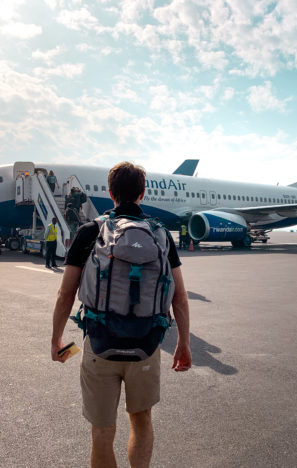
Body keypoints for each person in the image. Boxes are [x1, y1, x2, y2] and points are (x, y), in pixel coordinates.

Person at [51, 162, 191, 468]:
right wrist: (183, 343)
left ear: (111, 194)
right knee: (141, 420)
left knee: (102, 431)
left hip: (100, 345)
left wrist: (57, 340)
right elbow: (179, 296)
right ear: (142, 193)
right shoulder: (160, 234)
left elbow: (65, 295)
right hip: (146, 346)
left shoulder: (90, 231)